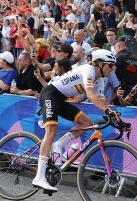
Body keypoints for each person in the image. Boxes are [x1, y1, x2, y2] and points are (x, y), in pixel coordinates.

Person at [31, 49, 119, 193]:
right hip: (50, 94)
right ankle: (39, 177)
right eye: (111, 65)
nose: (112, 69)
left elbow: (102, 103)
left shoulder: (100, 81)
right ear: (101, 64)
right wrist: (108, 111)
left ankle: (59, 145)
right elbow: (90, 95)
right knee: (51, 131)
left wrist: (114, 115)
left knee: (87, 123)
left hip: (60, 99)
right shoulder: (88, 70)